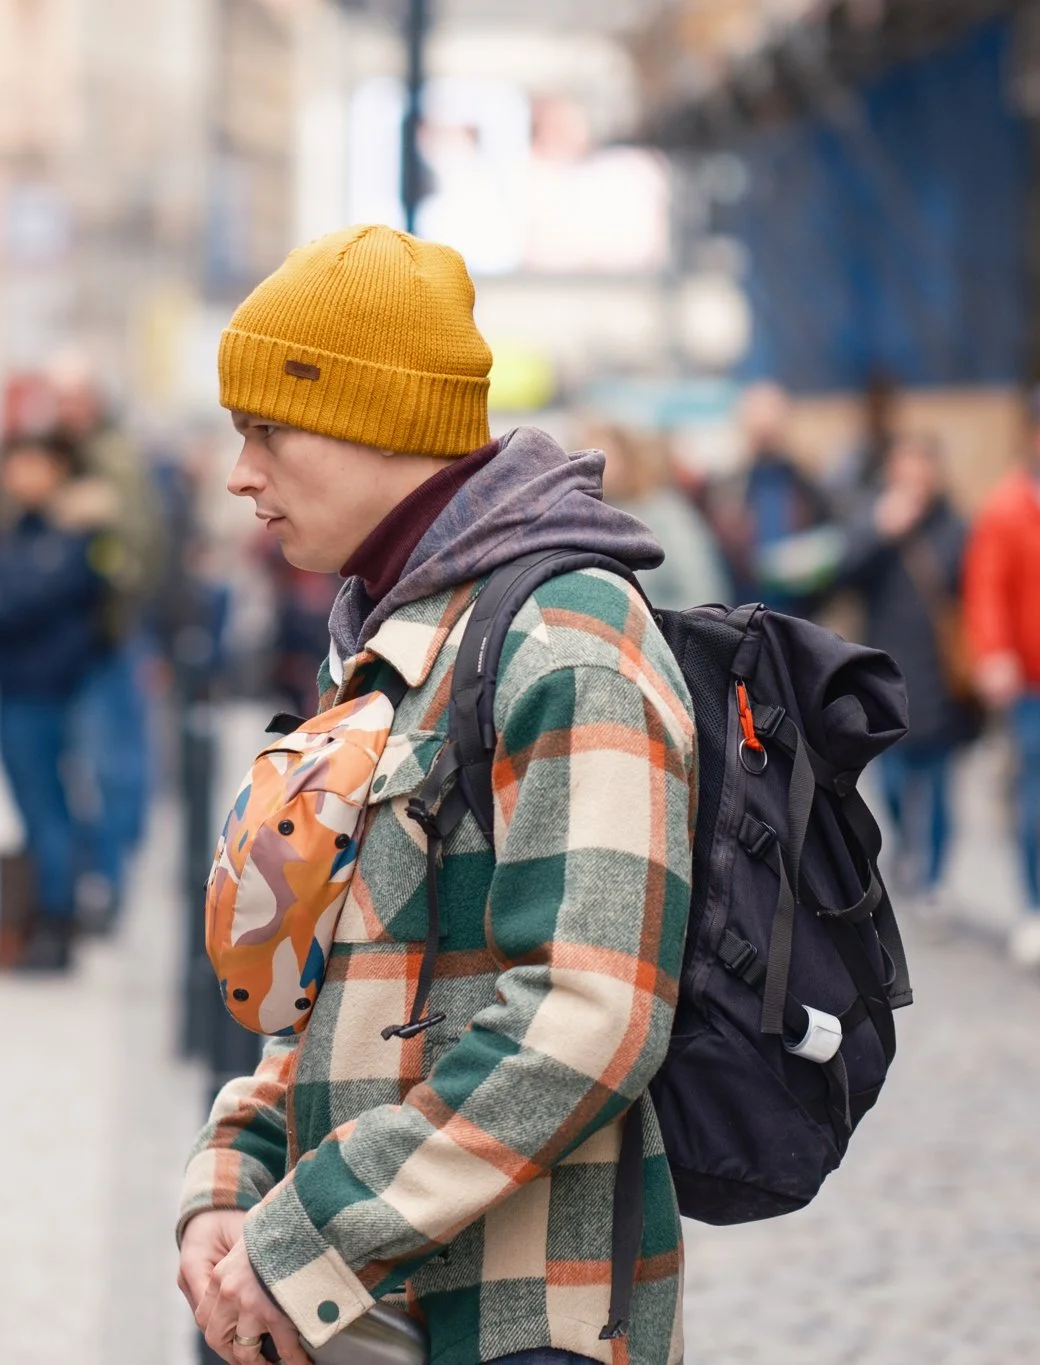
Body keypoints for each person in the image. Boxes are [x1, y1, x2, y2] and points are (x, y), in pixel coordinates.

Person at [176, 226, 698, 1365]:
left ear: (377, 419)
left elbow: (590, 1016)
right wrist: (235, 1174)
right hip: (370, 1308)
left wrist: (312, 1231)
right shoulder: (392, 634)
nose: (239, 472)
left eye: (267, 429)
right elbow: (332, 982)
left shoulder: (566, 638)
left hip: (520, 1319)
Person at [0, 432, 112, 972]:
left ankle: (54, 929)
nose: (15, 475)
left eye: (28, 464)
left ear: (55, 468)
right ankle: (40, 925)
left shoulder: (72, 531)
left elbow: (15, 601)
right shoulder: (19, 527)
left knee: (47, 809)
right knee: (38, 807)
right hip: (17, 683)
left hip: (42, 688)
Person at [832, 433, 973, 913]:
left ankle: (934, 876)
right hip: (885, 675)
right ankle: (906, 847)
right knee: (891, 783)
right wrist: (879, 531)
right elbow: (841, 574)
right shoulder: (871, 518)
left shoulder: (954, 527)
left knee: (938, 786)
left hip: (940, 676)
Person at [50, 356, 159, 924]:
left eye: (71, 399)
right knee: (104, 763)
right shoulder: (78, 451)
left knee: (109, 765)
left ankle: (109, 882)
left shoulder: (109, 456)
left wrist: (97, 546)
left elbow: (132, 549)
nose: (63, 410)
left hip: (107, 634)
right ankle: (102, 876)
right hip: (92, 636)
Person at [966, 396, 1040, 964]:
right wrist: (993, 654)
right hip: (1031, 685)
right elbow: (987, 587)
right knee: (1034, 793)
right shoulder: (1009, 506)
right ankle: (1036, 905)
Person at [707, 381, 834, 613]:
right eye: (757, 421)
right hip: (741, 616)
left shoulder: (809, 488)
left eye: (771, 421)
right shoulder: (725, 489)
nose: (765, 429)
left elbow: (830, 549)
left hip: (800, 615)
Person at [594, 422, 731, 610]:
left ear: (627, 457)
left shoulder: (664, 512)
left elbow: (701, 589)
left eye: (601, 455)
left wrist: (644, 620)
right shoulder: (591, 518)